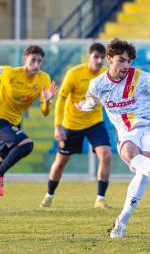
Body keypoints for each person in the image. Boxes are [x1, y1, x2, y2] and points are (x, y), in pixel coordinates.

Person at [75, 39, 150, 238]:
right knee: (131, 155)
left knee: (144, 170)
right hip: (127, 133)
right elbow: (91, 103)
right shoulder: (98, 84)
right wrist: (81, 106)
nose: (126, 65)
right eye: (121, 60)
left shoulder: (141, 78)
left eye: (129, 61)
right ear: (109, 59)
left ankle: (121, 222)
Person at [40, 43, 113, 209]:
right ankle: (49, 195)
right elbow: (61, 99)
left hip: (95, 122)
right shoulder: (74, 73)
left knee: (106, 154)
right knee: (61, 161)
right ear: (89, 57)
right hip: (71, 124)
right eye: (96, 57)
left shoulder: (104, 75)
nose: (99, 60)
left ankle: (100, 198)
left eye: (102, 58)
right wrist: (58, 126)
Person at [0, 45, 58, 196]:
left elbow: (45, 113)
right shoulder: (9, 72)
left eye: (40, 61)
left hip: (15, 121)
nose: (37, 65)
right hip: (1, 120)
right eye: (33, 60)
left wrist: (46, 102)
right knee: (26, 144)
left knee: (2, 158)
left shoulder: (43, 78)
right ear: (25, 59)